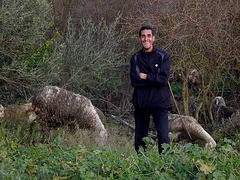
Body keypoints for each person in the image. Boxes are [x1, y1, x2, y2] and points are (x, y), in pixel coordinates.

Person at [130, 25, 170, 154]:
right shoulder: (135, 58)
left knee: (163, 137)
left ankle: (165, 166)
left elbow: (163, 79)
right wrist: (154, 78)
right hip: (141, 103)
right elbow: (135, 81)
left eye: (148, 36)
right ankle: (141, 165)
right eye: (143, 36)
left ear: (153, 38)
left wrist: (145, 76)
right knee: (140, 138)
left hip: (159, 103)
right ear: (140, 38)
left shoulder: (163, 56)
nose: (146, 39)